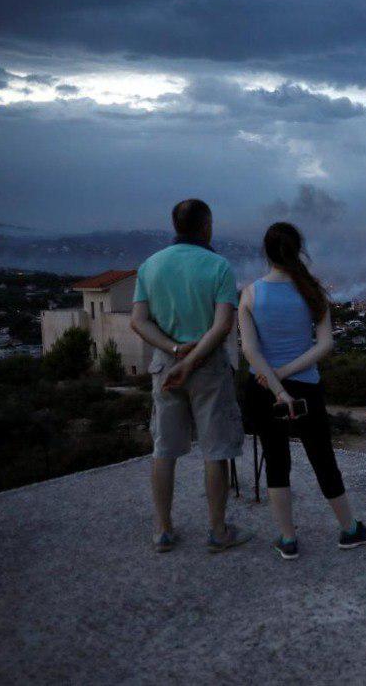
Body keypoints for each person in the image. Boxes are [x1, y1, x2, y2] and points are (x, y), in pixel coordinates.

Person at [239, 221, 366, 560]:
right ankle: (349, 530)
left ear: (266, 252)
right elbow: (325, 345)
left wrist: (275, 382)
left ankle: (288, 539)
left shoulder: (251, 293)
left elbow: (250, 352)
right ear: (298, 250)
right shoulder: (312, 290)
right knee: (322, 458)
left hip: (262, 389)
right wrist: (288, 375)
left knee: (275, 460)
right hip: (307, 389)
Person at [129, 198, 253, 554]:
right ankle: (217, 531)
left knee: (163, 449)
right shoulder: (218, 266)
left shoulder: (150, 266)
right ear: (206, 225)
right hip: (209, 368)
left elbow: (138, 322)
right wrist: (193, 357)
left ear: (175, 225)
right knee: (216, 450)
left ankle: (163, 530)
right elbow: (222, 325)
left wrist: (172, 351)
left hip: (166, 368)